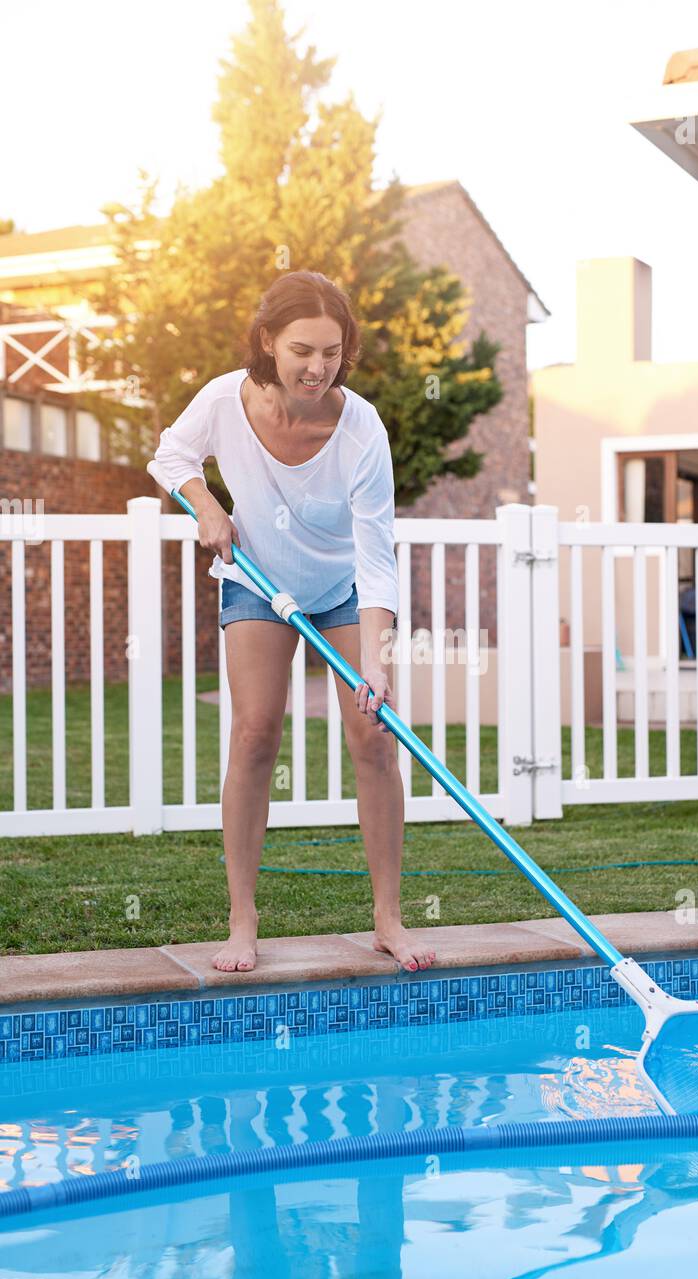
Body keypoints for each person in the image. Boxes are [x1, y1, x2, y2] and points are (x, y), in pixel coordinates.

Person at [146, 270, 436, 976]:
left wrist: (375, 659)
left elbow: (376, 552)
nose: (317, 367)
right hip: (256, 580)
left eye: (332, 352)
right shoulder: (223, 399)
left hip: (339, 587)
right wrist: (207, 507)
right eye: (302, 349)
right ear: (268, 341)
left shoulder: (360, 426)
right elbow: (169, 453)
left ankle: (388, 920)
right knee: (253, 735)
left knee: (373, 736)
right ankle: (242, 922)